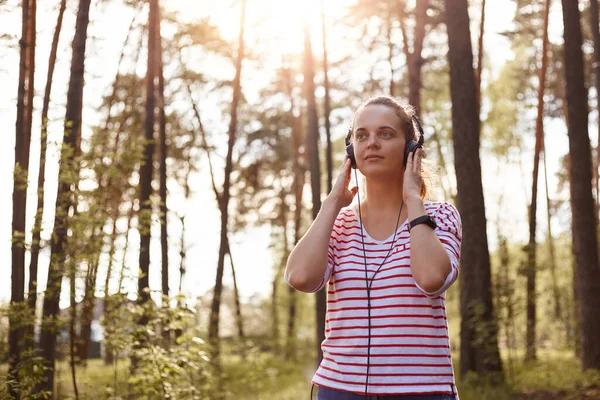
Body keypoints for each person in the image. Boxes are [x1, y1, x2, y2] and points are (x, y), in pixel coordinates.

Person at [284, 96, 462, 400]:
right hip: (340, 390)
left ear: (410, 149)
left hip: (422, 391)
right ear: (351, 150)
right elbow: (300, 277)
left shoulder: (439, 215)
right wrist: (332, 204)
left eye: (386, 133)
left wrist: (413, 199)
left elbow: (431, 277)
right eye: (361, 135)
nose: (372, 143)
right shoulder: (337, 224)